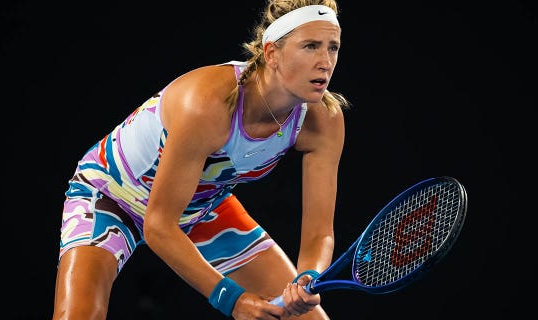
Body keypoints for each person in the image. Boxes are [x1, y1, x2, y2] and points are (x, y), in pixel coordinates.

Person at [52, 0, 349, 319]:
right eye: (311, 46)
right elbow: (159, 225)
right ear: (271, 53)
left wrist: (307, 278)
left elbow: (320, 234)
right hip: (110, 196)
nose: (325, 62)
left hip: (201, 207)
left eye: (332, 47)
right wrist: (232, 299)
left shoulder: (323, 121)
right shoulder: (208, 104)